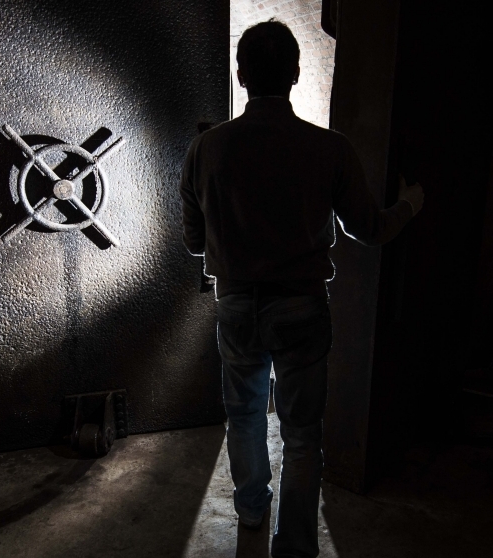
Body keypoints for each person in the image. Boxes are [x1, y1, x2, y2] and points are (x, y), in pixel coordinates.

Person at [179, 20, 423, 558]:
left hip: (236, 305)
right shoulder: (329, 148)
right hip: (302, 308)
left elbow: (195, 244)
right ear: (295, 73)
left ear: (240, 75)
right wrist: (409, 205)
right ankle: (294, 546)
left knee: (244, 415)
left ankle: (250, 507)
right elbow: (370, 230)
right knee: (302, 435)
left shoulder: (204, 149)